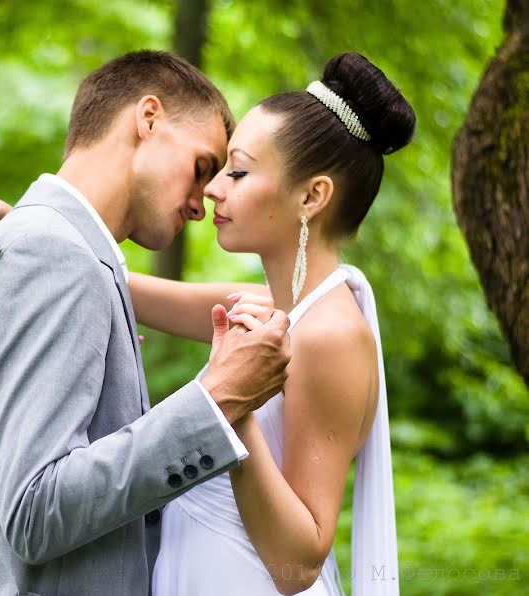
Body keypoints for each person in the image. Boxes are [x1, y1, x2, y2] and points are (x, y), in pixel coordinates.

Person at [0, 50, 292, 595]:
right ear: (147, 118)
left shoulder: (51, 249)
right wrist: (218, 399)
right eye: (203, 166)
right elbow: (35, 510)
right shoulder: (50, 256)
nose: (204, 203)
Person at [136, 52, 415, 595]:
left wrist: (232, 407)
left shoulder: (331, 335)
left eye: (238, 171)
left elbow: (300, 558)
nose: (214, 188)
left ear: (312, 196)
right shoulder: (282, 308)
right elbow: (129, 289)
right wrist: (16, 224)